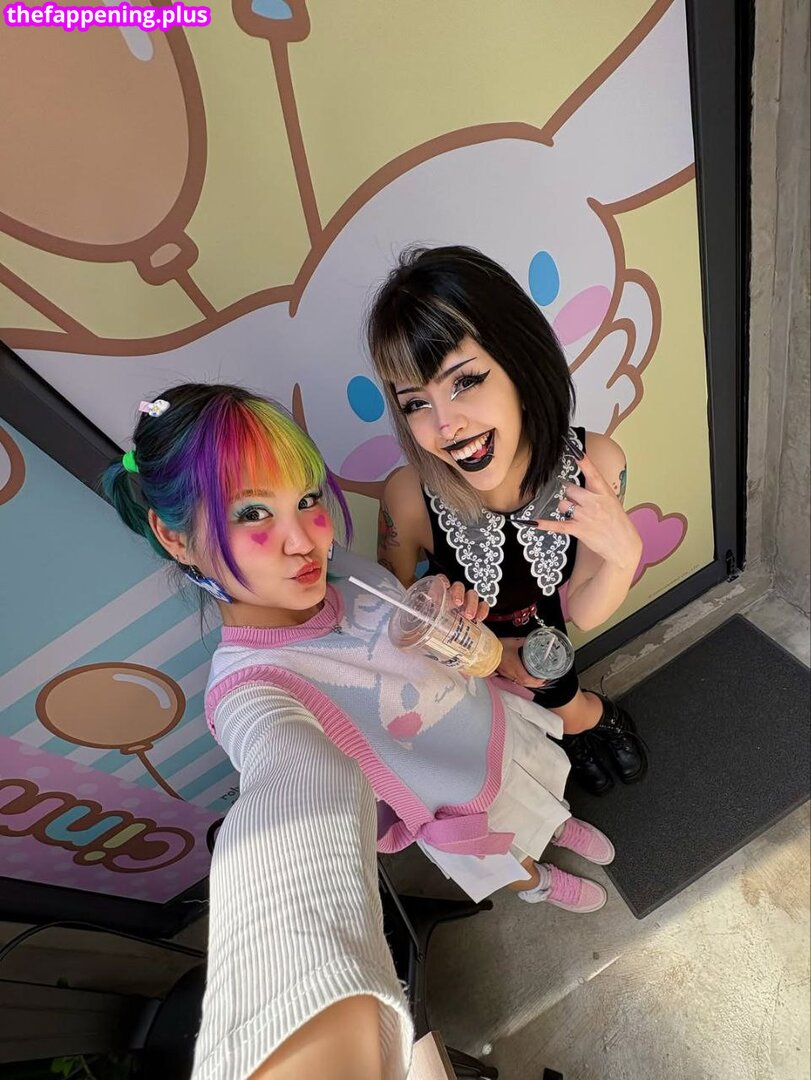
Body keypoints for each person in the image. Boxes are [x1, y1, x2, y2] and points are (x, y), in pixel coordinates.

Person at [103, 382, 617, 1080]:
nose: (305, 540)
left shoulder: (338, 568)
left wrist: (446, 615)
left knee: (537, 792)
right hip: (449, 803)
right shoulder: (252, 691)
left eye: (307, 499)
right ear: (174, 537)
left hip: (485, 726)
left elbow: (403, 631)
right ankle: (538, 880)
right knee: (507, 852)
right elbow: (289, 793)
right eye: (253, 513)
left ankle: (559, 826)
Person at [366, 245, 647, 797]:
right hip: (467, 670)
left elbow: (586, 610)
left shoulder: (596, 464)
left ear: (519, 361)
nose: (445, 425)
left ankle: (588, 718)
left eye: (464, 381)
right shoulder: (407, 498)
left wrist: (625, 555)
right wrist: (446, 626)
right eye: (416, 403)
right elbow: (392, 621)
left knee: (559, 692)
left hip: (548, 642)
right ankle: (576, 725)